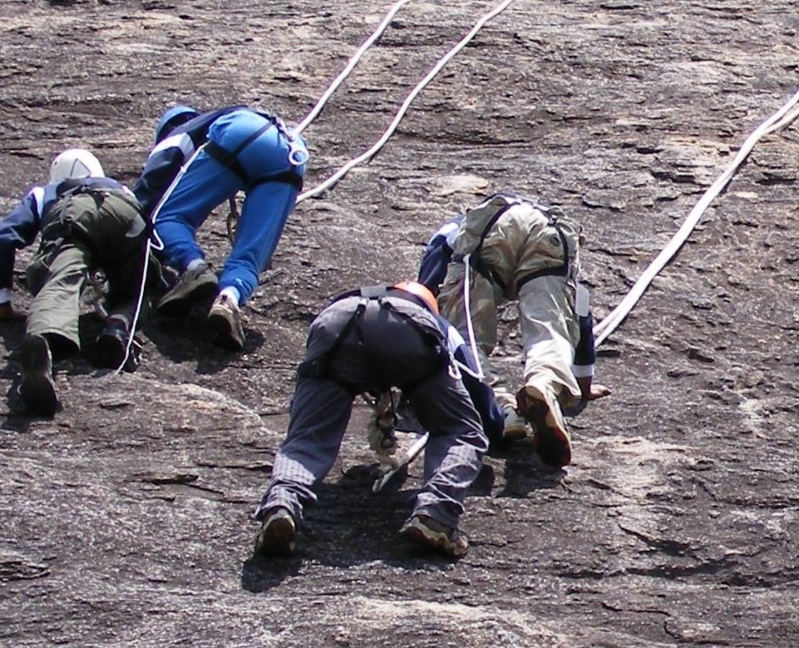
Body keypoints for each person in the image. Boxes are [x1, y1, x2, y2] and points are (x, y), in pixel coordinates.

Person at [252, 281, 508, 561]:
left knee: (307, 437)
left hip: (334, 322)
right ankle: (436, 513)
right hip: (405, 327)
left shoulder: (353, 299)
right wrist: (495, 425)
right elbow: (472, 378)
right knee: (460, 431)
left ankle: (283, 502)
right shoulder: (431, 316)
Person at [415, 193, 600, 468]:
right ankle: (546, 383)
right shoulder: (534, 213)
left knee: (464, 337)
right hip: (549, 230)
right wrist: (583, 381)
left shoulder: (445, 237)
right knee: (551, 327)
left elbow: (424, 303)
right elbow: (580, 311)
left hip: (491, 228)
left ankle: (502, 407)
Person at [132, 102, 308, 350]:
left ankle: (195, 268)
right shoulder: (226, 114)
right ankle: (229, 299)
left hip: (241, 134)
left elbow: (147, 197)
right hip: (292, 152)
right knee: (249, 257)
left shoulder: (180, 133)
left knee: (165, 218)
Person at [0, 148, 148, 415]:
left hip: (74, 214)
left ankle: (43, 345)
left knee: (59, 279)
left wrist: (2, 303)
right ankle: (117, 329)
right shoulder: (122, 188)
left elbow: (3, 238)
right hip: (126, 212)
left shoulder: (45, 193)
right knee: (136, 286)